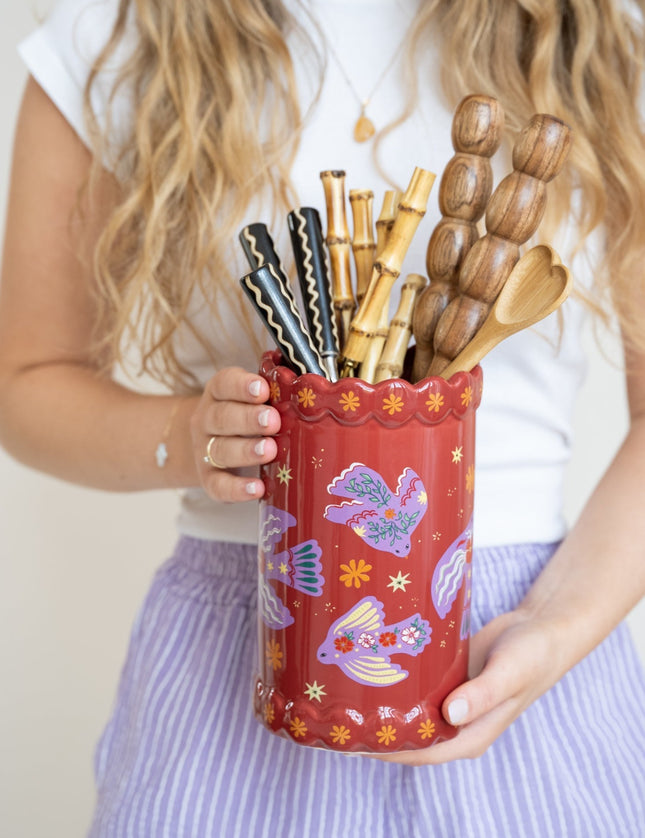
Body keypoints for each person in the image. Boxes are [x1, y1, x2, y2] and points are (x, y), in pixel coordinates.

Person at [1, 0, 645, 835]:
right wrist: (189, 438)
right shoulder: (118, 37)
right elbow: (27, 381)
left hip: (523, 639)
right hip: (238, 644)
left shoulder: (598, 39)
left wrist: (554, 628)